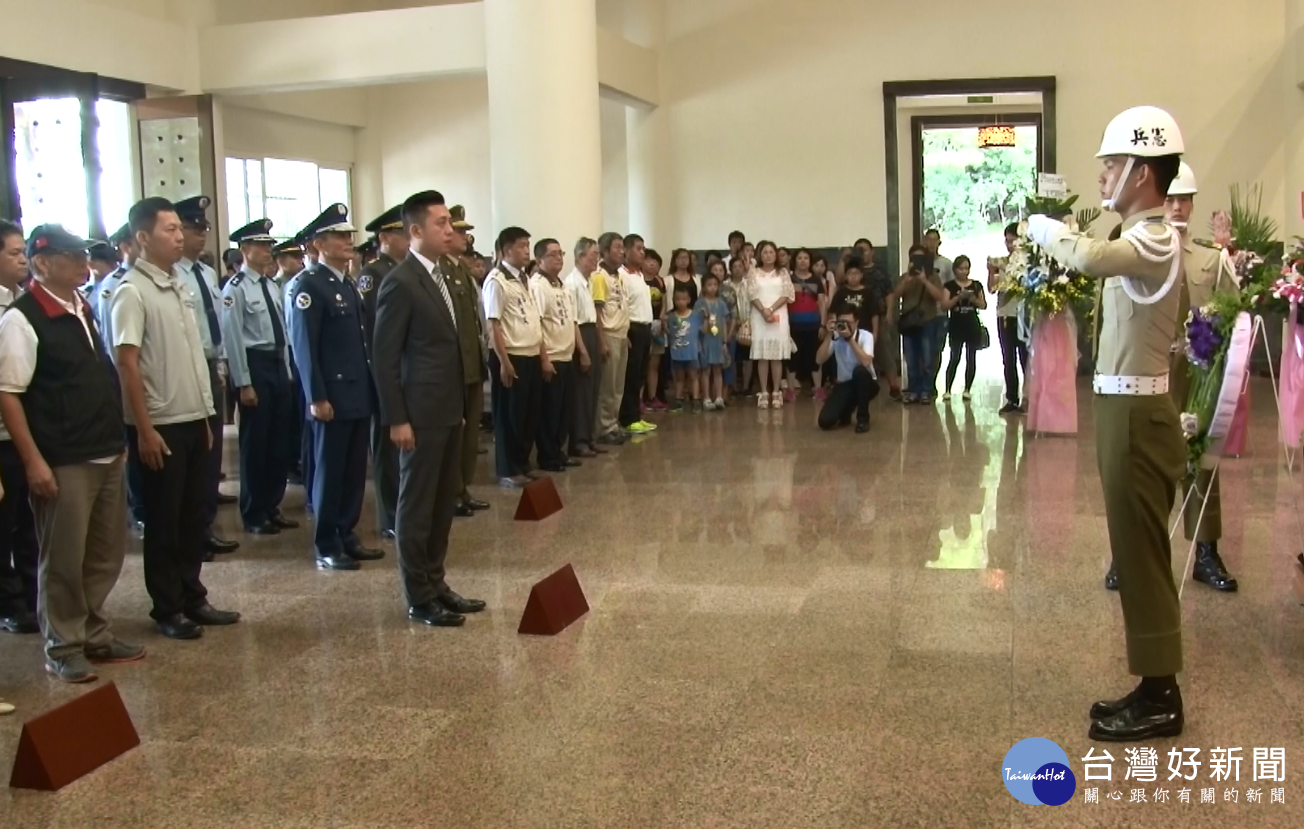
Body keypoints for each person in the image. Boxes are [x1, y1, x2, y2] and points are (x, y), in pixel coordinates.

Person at [1025, 105, 1189, 742]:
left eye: (1113, 164)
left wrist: (1044, 229)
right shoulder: (1139, 233)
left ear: (1143, 173)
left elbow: (1091, 259)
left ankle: (1161, 696)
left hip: (1137, 412)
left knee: (1141, 553)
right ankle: (1153, 683)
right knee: (1132, 547)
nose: (1102, 177)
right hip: (1123, 404)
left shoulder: (1155, 234)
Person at [0, 225, 142, 681]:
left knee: (104, 553)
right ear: (43, 263)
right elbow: (8, 393)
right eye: (72, 256)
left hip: (104, 449)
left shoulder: (82, 306)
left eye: (84, 255)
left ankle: (94, 633)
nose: (84, 263)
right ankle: (63, 645)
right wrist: (33, 461)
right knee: (62, 558)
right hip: (64, 458)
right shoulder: (22, 318)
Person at [1100, 162, 1237, 593]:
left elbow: (1233, 316)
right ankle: (1128, 554)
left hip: (1193, 380)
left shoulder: (1210, 260)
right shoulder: (1136, 248)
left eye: (1185, 199)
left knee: (1200, 464)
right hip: (1147, 376)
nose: (1177, 206)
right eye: (1171, 198)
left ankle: (1207, 552)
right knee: (1138, 470)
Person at [112, 198, 241, 640]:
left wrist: (207, 415)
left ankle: (192, 595)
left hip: (192, 417)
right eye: (168, 229)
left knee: (192, 515)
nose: (179, 235)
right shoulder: (132, 291)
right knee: (165, 520)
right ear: (143, 238)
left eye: (178, 229)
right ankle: (166, 606)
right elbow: (127, 364)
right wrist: (143, 429)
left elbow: (191, 357)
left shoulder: (179, 284)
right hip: (159, 423)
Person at [372, 190, 484, 628]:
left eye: (449, 223)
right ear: (415, 231)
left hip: (447, 407)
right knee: (417, 505)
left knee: (442, 504)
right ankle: (418, 594)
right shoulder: (400, 283)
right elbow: (385, 357)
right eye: (440, 223)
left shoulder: (446, 276)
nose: (449, 230)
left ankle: (437, 582)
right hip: (417, 414)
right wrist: (397, 417)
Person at [287, 204, 384, 571]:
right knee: (330, 470)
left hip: (357, 392)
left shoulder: (345, 283)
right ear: (319, 243)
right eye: (340, 236)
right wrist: (316, 397)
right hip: (332, 396)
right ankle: (327, 542)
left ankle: (347, 533)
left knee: (354, 469)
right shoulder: (308, 286)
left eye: (349, 236)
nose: (349, 242)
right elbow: (305, 347)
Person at [221, 218, 297, 537]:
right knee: (256, 443)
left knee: (279, 440)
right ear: (246, 250)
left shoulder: (271, 286)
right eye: (262, 245)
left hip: (277, 363)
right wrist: (244, 382)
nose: (268, 250)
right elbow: (233, 338)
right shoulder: (235, 289)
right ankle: (253, 511)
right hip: (254, 365)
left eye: (269, 245)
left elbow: (285, 334)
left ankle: (271, 504)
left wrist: (289, 371)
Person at [174, 196, 240, 558]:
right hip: (187, 365)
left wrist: (224, 363)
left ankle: (207, 524)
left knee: (211, 453)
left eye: (204, 230)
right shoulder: (174, 275)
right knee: (194, 453)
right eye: (192, 229)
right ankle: (192, 533)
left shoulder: (207, 274)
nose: (200, 236)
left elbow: (219, 327)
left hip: (211, 364)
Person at [357, 205, 408, 540]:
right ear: (384, 238)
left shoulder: (402, 270)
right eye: (401, 234)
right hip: (384, 369)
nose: (406, 240)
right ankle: (389, 514)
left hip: (404, 369)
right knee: (387, 447)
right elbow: (377, 329)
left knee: (402, 449)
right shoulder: (374, 274)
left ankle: (402, 510)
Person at [484, 226, 546, 487]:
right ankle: (508, 468)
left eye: (527, 246)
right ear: (506, 250)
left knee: (528, 414)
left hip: (530, 352)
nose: (526, 251)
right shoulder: (496, 281)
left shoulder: (524, 279)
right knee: (509, 415)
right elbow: (493, 324)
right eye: (522, 246)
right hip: (511, 356)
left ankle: (523, 462)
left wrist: (542, 356)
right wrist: (504, 361)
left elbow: (533, 318)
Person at [0, 220, 39, 636]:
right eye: (13, 252)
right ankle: (8, 603)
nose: (22, 259)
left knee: (28, 520)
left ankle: (32, 593)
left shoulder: (22, 304)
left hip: (25, 431)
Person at [443, 206, 491, 517]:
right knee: (455, 435)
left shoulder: (460, 270)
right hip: (455, 367)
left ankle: (463, 488)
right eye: (459, 231)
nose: (465, 236)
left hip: (472, 364)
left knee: (471, 433)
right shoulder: (440, 272)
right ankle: (451, 491)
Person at [530, 238, 582, 473]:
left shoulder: (560, 284)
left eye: (560, 253)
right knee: (549, 411)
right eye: (552, 255)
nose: (559, 258)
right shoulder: (538, 285)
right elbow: (537, 324)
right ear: (539, 259)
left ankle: (558, 451)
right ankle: (547, 456)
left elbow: (570, 320)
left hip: (566, 355)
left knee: (564, 410)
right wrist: (544, 359)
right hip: (551, 356)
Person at [894, 244, 947, 405]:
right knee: (910, 358)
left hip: (928, 321)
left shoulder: (933, 277)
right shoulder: (905, 277)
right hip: (909, 323)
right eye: (913, 258)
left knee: (928, 358)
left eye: (920, 258)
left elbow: (939, 296)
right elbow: (896, 295)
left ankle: (926, 390)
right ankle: (913, 390)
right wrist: (908, 280)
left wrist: (924, 280)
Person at [816, 303, 878, 433]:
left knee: (859, 372)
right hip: (845, 384)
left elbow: (866, 362)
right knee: (825, 421)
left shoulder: (866, 336)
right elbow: (819, 359)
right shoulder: (835, 337)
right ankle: (846, 412)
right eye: (842, 322)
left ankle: (863, 419)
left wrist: (850, 339)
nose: (845, 326)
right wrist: (828, 335)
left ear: (856, 322)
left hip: (867, 382)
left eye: (849, 322)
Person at [746, 241, 794, 408]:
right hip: (759, 316)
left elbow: (787, 293)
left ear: (776, 255)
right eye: (765, 252)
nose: (768, 255)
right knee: (763, 355)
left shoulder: (783, 273)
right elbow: (751, 293)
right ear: (760, 255)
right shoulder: (754, 272)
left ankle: (776, 392)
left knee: (776, 356)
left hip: (778, 314)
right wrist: (763, 310)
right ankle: (764, 392)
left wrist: (771, 309)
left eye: (771, 252)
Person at [566, 237, 602, 459]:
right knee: (581, 392)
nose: (596, 259)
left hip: (591, 332)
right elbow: (574, 321)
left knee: (593, 390)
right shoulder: (572, 284)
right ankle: (578, 441)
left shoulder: (588, 282)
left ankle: (589, 437)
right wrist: (584, 351)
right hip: (581, 336)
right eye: (593, 255)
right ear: (580, 257)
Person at [592, 232, 629, 446]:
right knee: (607, 385)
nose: (621, 251)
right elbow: (598, 311)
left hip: (621, 334)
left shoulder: (617, 275)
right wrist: (602, 340)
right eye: (617, 247)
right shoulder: (599, 276)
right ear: (605, 251)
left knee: (618, 385)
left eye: (622, 246)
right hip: (609, 334)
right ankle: (604, 426)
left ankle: (613, 423)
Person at [988, 222, 1028, 414]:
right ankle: (1012, 398)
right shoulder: (1001, 262)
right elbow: (991, 288)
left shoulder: (1028, 263)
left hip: (1023, 315)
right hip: (1004, 314)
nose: (1009, 244)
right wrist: (991, 271)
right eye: (1007, 240)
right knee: (1008, 359)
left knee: (1026, 359)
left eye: (1013, 241)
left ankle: (1028, 398)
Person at [619, 234, 656, 436]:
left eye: (643, 248)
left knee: (640, 374)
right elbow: (621, 306)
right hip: (632, 327)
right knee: (630, 376)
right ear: (626, 250)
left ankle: (636, 415)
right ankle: (627, 418)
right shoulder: (621, 275)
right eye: (638, 248)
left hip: (645, 327)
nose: (642, 252)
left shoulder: (640, 275)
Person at [940, 255, 987, 402]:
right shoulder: (949, 286)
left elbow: (983, 305)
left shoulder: (976, 285)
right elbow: (944, 305)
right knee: (955, 356)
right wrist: (958, 298)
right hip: (956, 324)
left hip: (972, 324)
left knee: (971, 357)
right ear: (955, 269)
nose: (964, 272)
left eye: (966, 268)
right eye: (961, 268)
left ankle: (967, 389)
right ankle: (947, 389)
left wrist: (972, 298)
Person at [789, 249, 825, 396]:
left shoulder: (816, 280)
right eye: (800, 258)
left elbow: (822, 303)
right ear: (795, 261)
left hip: (813, 325)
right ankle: (790, 390)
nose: (803, 261)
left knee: (814, 356)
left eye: (806, 258)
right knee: (792, 358)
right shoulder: (789, 280)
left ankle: (818, 388)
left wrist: (822, 324)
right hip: (793, 325)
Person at [695, 271, 730, 409]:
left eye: (715, 284)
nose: (712, 287)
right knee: (705, 370)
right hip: (705, 340)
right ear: (703, 287)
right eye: (709, 285)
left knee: (718, 370)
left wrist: (725, 341)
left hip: (718, 340)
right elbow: (698, 326)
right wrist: (704, 318)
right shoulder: (700, 304)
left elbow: (724, 323)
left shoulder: (721, 303)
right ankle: (706, 398)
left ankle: (719, 397)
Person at [667, 286, 702, 411]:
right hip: (677, 352)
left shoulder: (696, 315)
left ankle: (696, 399)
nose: (681, 302)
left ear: (688, 300)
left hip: (691, 353)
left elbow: (702, 329)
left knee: (693, 376)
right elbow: (669, 332)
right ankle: (678, 399)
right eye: (678, 299)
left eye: (683, 299)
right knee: (679, 377)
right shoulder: (671, 317)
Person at [643, 250, 668, 411]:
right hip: (643, 324)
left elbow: (664, 301)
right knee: (642, 363)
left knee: (655, 363)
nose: (652, 264)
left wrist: (662, 317)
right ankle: (641, 399)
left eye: (655, 261)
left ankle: (653, 397)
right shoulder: (637, 279)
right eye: (649, 260)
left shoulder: (659, 281)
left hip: (658, 325)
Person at [723, 256, 751, 395]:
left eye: (740, 266)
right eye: (735, 266)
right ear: (730, 269)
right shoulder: (725, 285)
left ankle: (746, 387)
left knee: (747, 358)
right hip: (730, 326)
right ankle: (732, 386)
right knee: (732, 357)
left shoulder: (749, 284)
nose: (738, 269)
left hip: (748, 324)